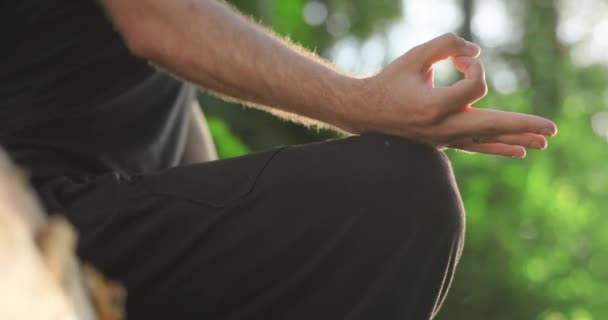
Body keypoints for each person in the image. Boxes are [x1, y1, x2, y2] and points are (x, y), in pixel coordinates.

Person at [1, 0, 557, 319]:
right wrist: (366, 104)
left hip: (111, 220)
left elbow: (176, 110)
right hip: (29, 215)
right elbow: (160, 24)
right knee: (397, 196)